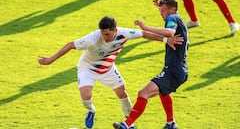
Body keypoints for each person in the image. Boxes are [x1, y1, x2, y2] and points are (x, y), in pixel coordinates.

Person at [38, 16, 184, 129]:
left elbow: (145, 34)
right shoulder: (92, 38)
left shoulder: (124, 33)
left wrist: (166, 40)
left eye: (107, 34)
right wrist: (50, 59)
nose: (104, 37)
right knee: (86, 95)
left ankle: (129, 124)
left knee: (122, 93)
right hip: (87, 68)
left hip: (108, 68)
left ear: (115, 30)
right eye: (102, 33)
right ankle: (91, 110)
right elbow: (70, 45)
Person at [113, 0, 188, 129]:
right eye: (160, 11)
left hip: (173, 70)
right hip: (177, 69)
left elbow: (170, 32)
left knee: (143, 93)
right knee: (164, 92)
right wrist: (161, 4)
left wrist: (145, 27)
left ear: (172, 9)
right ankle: (171, 123)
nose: (162, 14)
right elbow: (171, 15)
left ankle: (126, 125)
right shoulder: (178, 18)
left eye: (163, 11)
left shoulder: (172, 18)